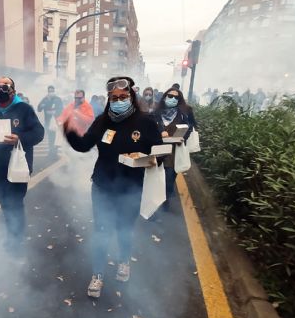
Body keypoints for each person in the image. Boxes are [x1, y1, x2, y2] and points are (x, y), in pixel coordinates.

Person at [64, 77, 162, 298]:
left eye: (123, 97)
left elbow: (159, 150)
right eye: (114, 97)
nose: (118, 101)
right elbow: (84, 145)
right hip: (102, 186)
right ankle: (98, 274)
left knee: (124, 230)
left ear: (131, 97)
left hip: (131, 188)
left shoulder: (145, 122)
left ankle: (124, 261)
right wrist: (70, 131)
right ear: (109, 99)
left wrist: (153, 159)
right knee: (101, 232)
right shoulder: (102, 121)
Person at [0, 77, 44, 254]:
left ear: (12, 89)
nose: (1, 89)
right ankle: (11, 234)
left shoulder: (24, 109)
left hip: (18, 166)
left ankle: (16, 242)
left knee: (15, 203)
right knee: (4, 202)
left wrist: (20, 137)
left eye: (5, 86)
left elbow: (39, 133)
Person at [152, 87, 196, 210]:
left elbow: (190, 127)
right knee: (156, 180)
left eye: (176, 97)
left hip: (174, 153)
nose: (172, 99)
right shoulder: (156, 113)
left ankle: (164, 203)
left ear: (179, 99)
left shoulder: (184, 113)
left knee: (169, 180)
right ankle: (154, 204)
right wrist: (159, 132)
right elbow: (148, 128)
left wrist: (183, 137)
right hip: (157, 152)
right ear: (165, 97)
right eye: (170, 96)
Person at [36, 85, 63, 156]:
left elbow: (61, 109)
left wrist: (55, 112)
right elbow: (39, 109)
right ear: (48, 92)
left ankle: (55, 152)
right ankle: (51, 151)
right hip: (48, 121)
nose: (51, 92)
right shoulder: (45, 99)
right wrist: (41, 106)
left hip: (56, 121)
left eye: (52, 91)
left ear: (54, 91)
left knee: (56, 138)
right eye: (49, 91)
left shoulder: (58, 99)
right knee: (50, 137)